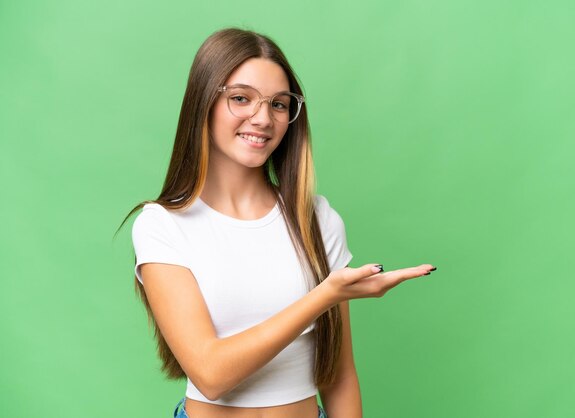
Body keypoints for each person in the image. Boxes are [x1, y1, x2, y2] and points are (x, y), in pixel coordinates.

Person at [124, 28, 436, 418]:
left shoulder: (317, 219)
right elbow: (211, 374)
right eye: (241, 98)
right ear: (203, 101)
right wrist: (324, 295)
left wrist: (331, 294)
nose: (263, 118)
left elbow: (338, 375)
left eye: (279, 104)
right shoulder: (163, 225)